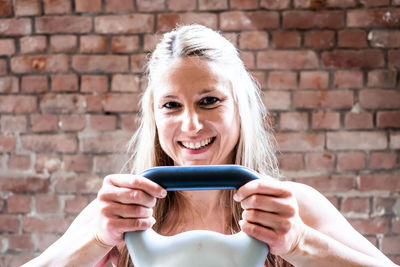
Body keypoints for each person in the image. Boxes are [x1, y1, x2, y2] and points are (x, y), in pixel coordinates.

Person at [23, 24, 397, 267]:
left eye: (209, 101)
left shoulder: (294, 207)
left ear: (240, 107)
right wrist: (93, 240)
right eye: (171, 105)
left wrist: (300, 242)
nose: (191, 125)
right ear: (154, 115)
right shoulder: (119, 214)